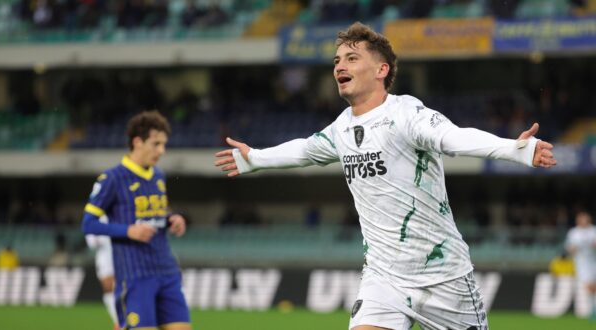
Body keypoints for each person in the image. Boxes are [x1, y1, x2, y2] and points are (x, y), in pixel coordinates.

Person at [215, 22, 557, 330]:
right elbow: (305, 150)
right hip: (384, 278)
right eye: (336, 61)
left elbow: (454, 137)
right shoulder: (341, 128)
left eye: (350, 58)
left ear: (381, 69)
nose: (339, 66)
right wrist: (255, 159)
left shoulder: (407, 114)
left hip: (444, 278)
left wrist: (514, 149)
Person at [82, 110, 191, 330]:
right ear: (137, 142)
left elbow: (154, 215)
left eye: (163, 144)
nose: (162, 150)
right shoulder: (112, 178)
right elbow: (88, 224)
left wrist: (171, 219)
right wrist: (127, 231)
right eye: (156, 144)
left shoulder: (158, 176)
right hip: (135, 276)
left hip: (166, 271)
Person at [85, 216, 120, 330]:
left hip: (122, 255)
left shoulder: (118, 213)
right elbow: (91, 243)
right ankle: (118, 321)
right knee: (108, 288)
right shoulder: (95, 218)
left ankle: (124, 319)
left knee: (122, 288)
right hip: (105, 257)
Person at [565, 211, 596, 320]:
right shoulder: (574, 233)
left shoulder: (593, 230)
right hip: (582, 263)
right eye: (582, 218)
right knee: (589, 285)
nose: (584, 220)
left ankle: (593, 309)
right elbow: (569, 248)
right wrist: (573, 249)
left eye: (586, 218)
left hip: (593, 261)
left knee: (593, 286)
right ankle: (593, 309)